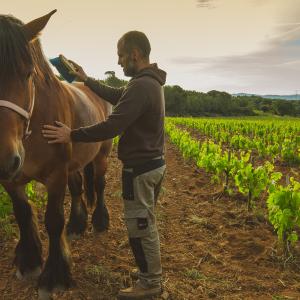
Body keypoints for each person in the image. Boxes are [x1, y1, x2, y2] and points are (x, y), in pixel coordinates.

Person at [42, 30, 166, 299]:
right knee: (142, 223)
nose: (119, 62)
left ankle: (150, 282)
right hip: (149, 164)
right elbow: (116, 94)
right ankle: (148, 272)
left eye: (121, 56)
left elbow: (112, 125)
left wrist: (71, 134)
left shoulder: (143, 86)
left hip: (142, 169)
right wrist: (85, 80)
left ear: (135, 54)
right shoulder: (146, 82)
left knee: (142, 225)